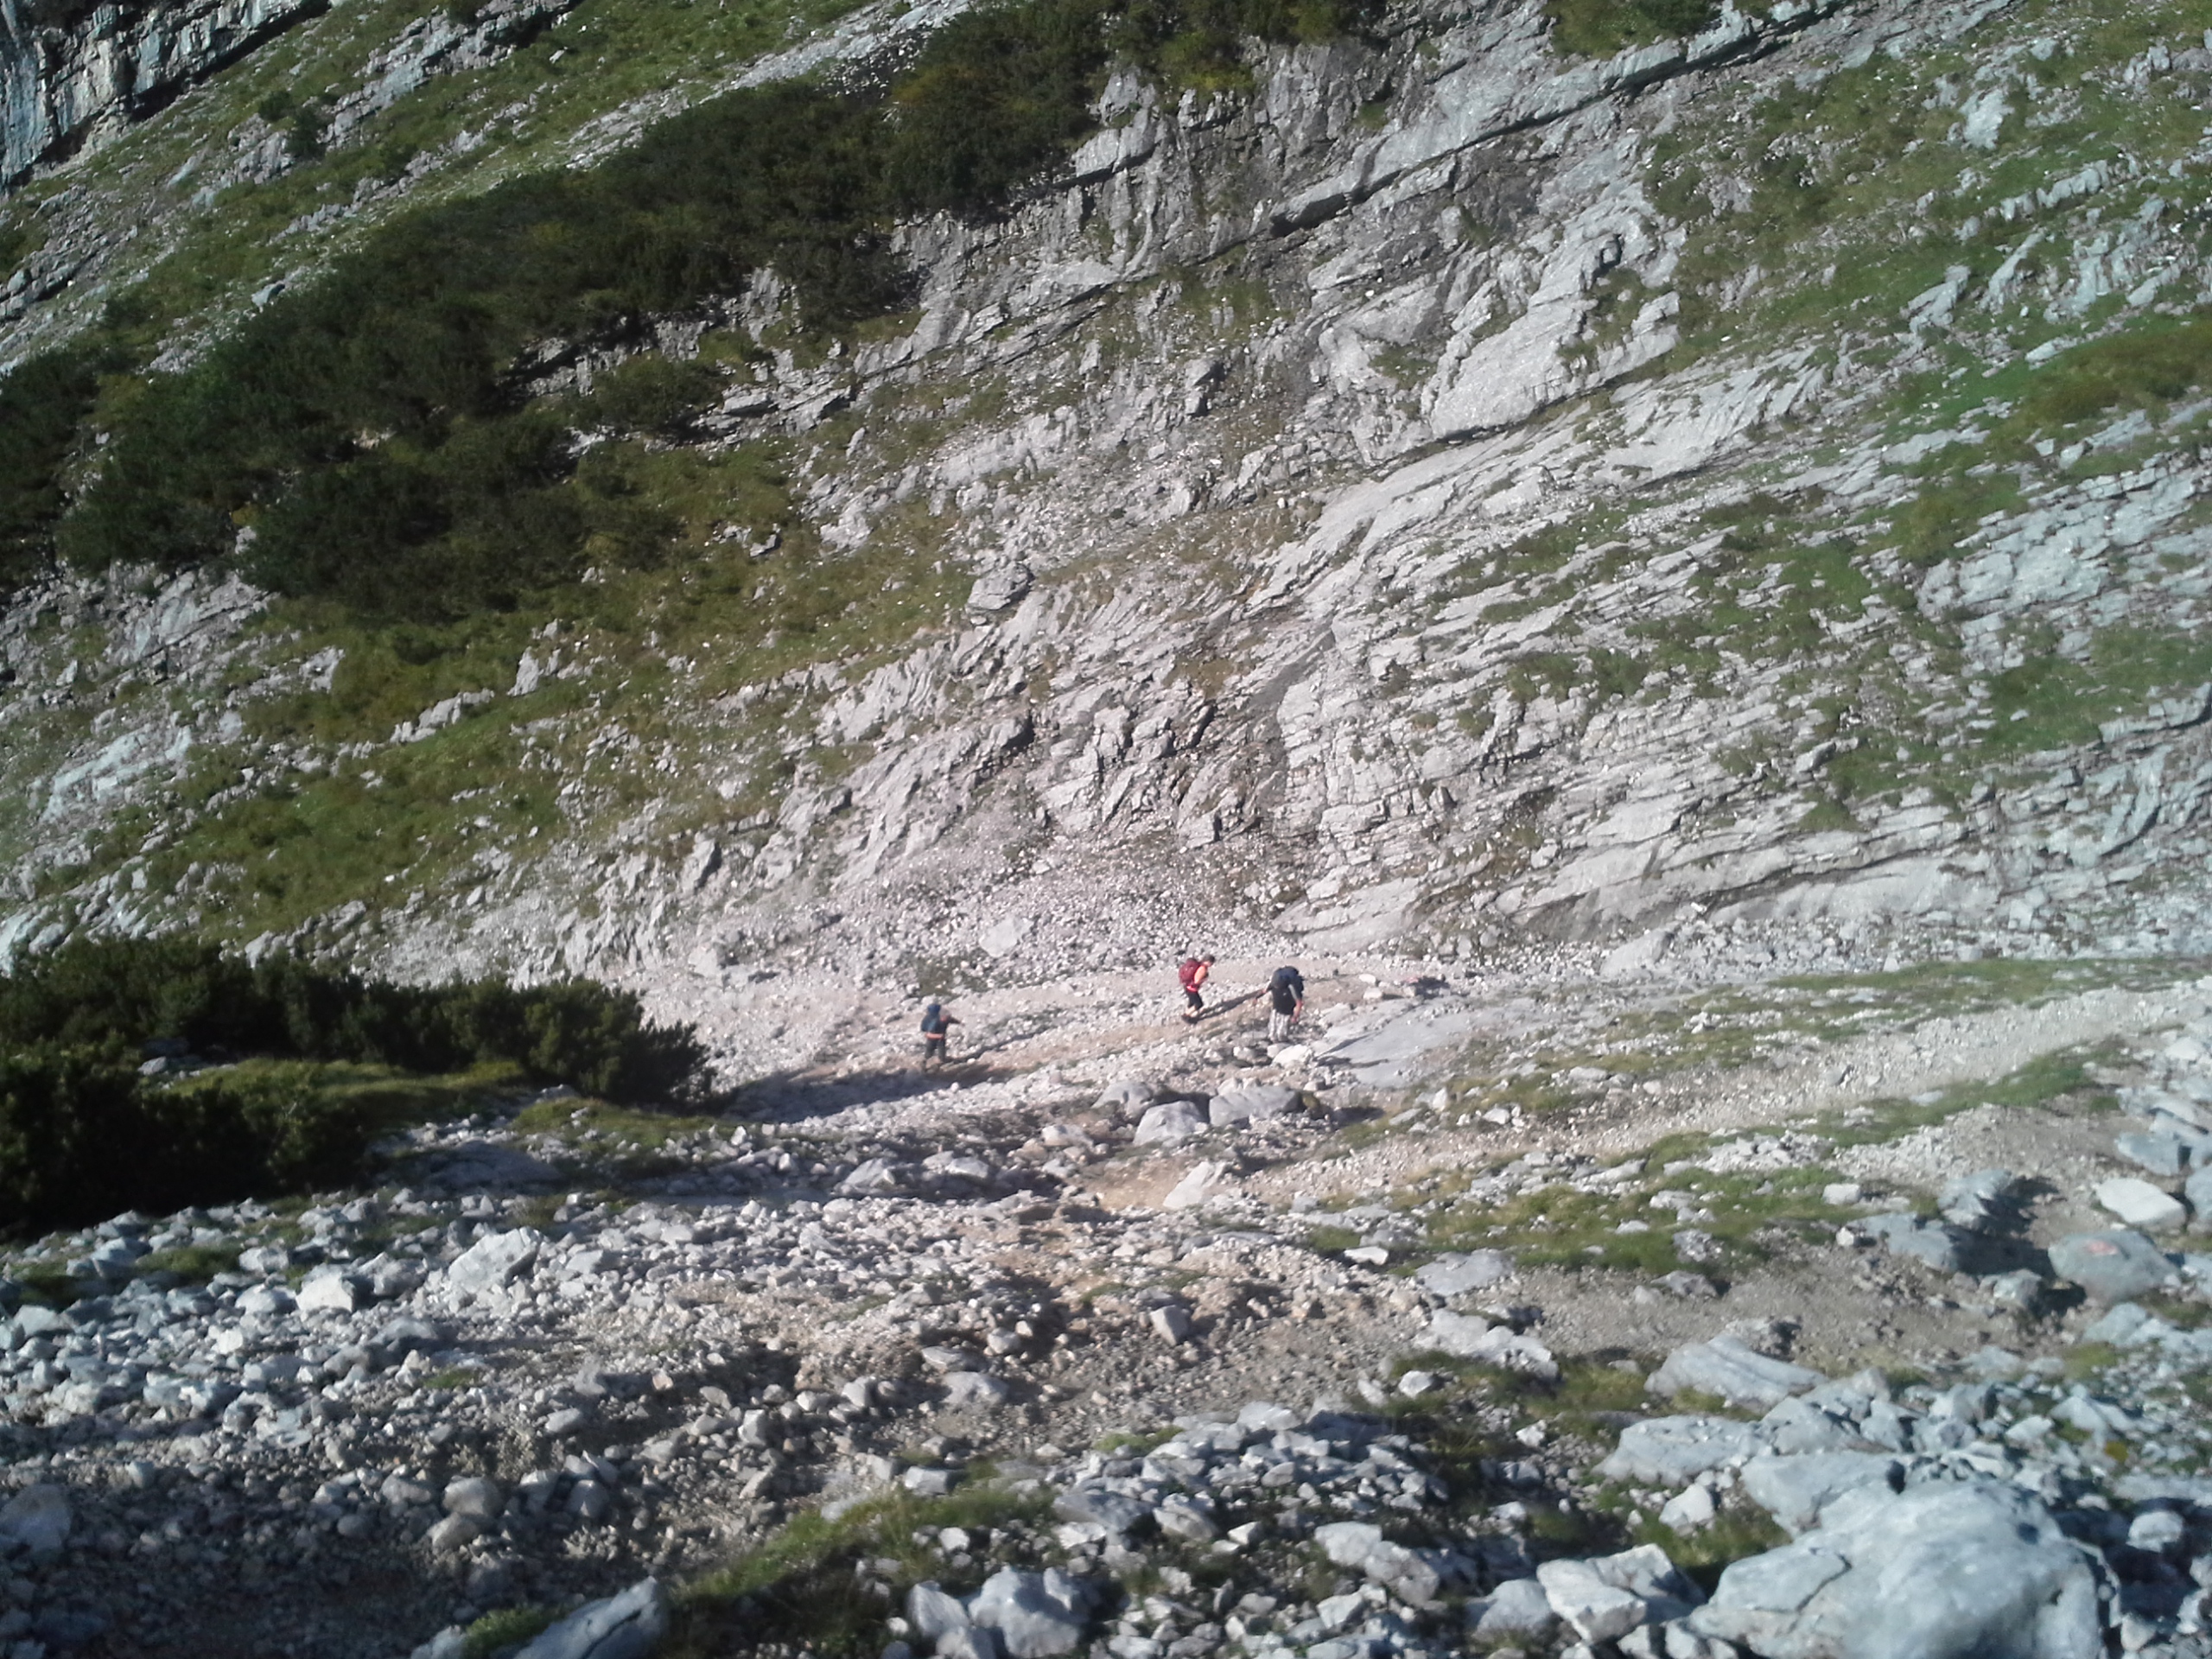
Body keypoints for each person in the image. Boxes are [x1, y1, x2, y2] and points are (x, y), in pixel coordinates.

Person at [1268, 964, 1305, 1041]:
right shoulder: (1273, 984)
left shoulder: (1291, 988)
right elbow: (1264, 991)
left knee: (1282, 1034)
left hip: (1287, 1013)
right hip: (1276, 1010)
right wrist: (1256, 998)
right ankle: (1275, 1044)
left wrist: (1295, 1016)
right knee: (1272, 1032)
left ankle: (1281, 1047)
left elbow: (1299, 1003)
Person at [1177, 954, 1215, 1024]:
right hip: (1192, 989)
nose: (1211, 965)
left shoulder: (1197, 965)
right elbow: (1197, 981)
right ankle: (1186, 1016)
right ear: (1208, 962)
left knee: (1192, 1002)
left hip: (1187, 986)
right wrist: (1204, 979)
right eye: (1211, 963)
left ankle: (1191, 1013)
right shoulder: (1202, 969)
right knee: (1198, 1004)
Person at [919, 1001, 960, 1066]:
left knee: (942, 1051)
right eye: (946, 1017)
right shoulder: (934, 1022)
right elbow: (927, 1034)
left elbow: (952, 1020)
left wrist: (960, 1023)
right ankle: (924, 1064)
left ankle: (942, 1062)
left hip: (941, 1039)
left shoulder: (946, 1019)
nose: (947, 1019)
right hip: (932, 1040)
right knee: (929, 1053)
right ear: (942, 1017)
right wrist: (938, 1036)